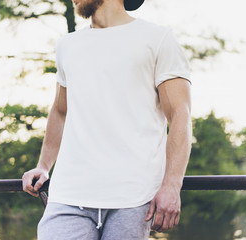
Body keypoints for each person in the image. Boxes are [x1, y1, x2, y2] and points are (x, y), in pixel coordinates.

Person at [22, 0, 192, 239]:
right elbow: (60, 111)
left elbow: (179, 115)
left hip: (133, 197)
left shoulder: (157, 39)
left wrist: (172, 185)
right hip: (68, 194)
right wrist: (43, 165)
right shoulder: (67, 45)